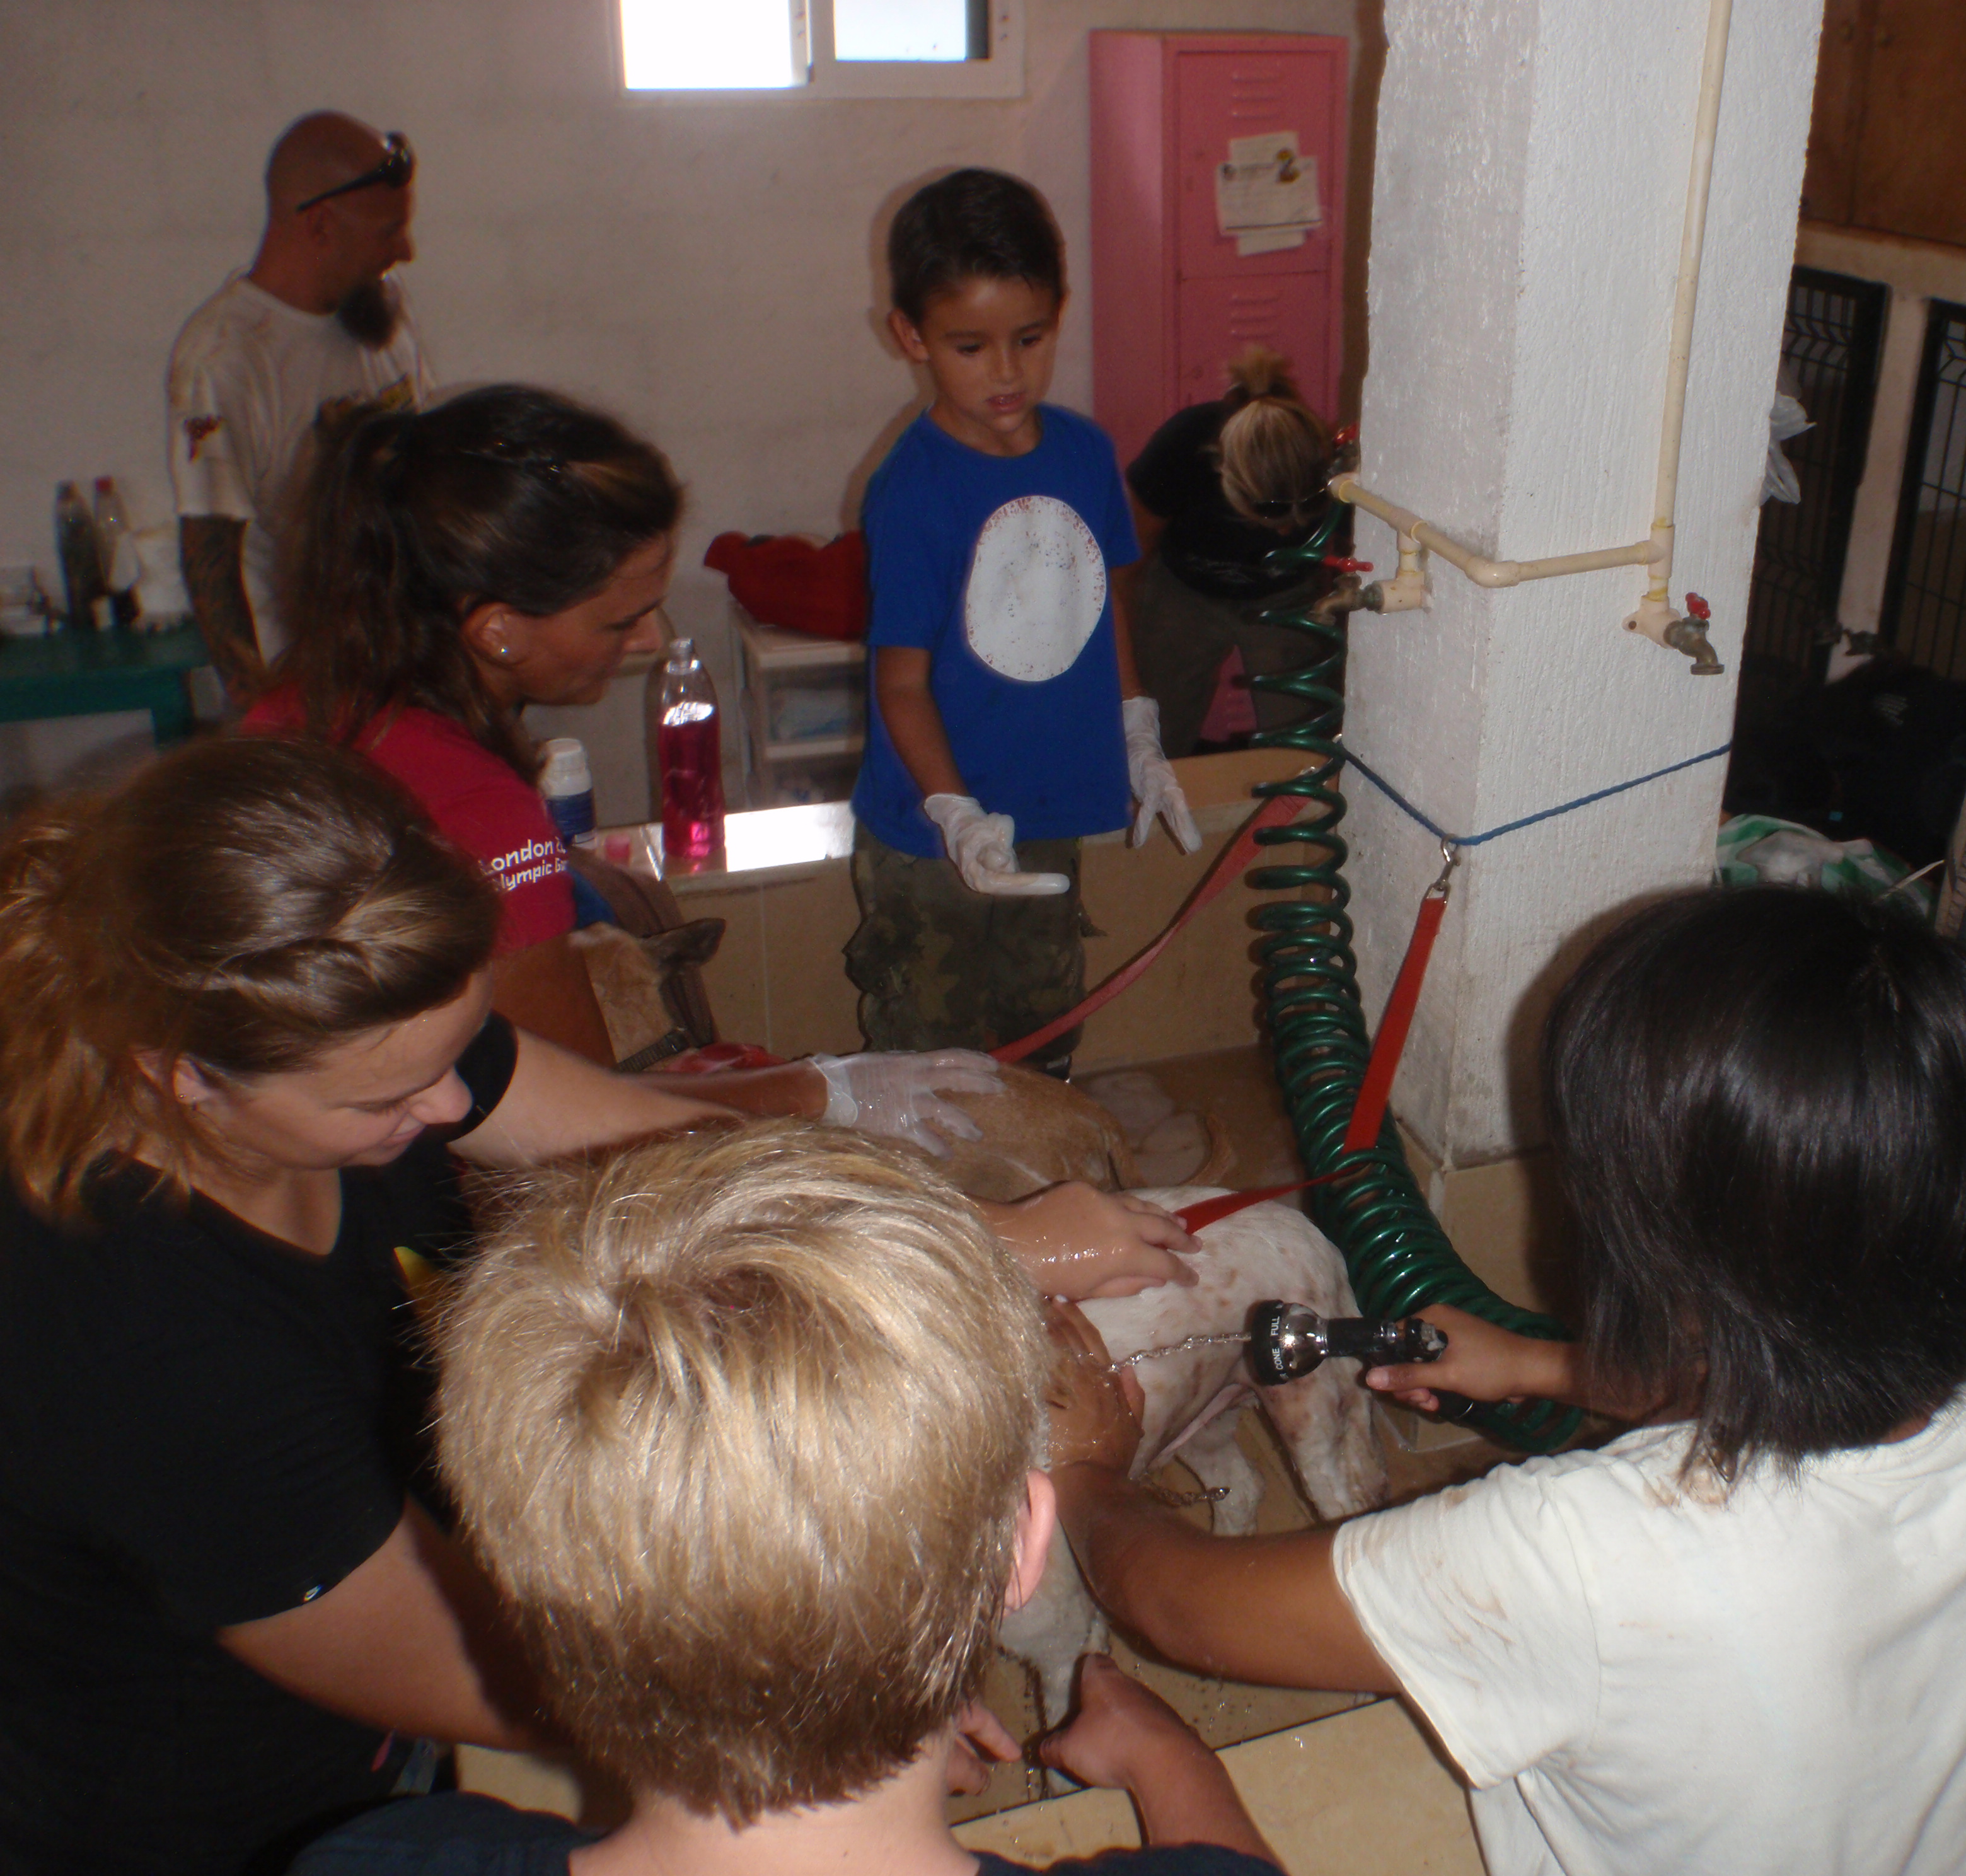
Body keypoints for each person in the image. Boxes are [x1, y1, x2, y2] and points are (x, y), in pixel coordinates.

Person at [0, 738, 1194, 1876]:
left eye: (458, 1049)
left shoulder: (369, 1036)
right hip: (213, 1805)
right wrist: (846, 1701)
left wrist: (987, 1237)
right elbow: (482, 1662)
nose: (450, 1105)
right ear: (180, 1074)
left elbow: (680, 1154)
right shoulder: (132, 1340)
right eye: (387, 1099)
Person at [1045, 887, 1966, 1876]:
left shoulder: (1583, 1555)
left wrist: (1088, 1470)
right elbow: (1790, 1373)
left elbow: (1179, 1607)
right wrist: (1539, 1364)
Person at [287, 1123, 1285, 1876]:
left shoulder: (370, 1856)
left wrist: (828, 1722)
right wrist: (1169, 1760)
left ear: (517, 1595)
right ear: (1023, 1545)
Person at [246, 381, 988, 1140]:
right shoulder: (481, 810)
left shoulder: (294, 706)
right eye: (620, 621)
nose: (650, 640)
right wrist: (823, 1092)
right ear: (497, 630)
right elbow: (578, 1129)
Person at [847, 168, 1200, 1074]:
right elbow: (901, 684)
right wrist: (956, 815)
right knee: (931, 1061)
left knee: (1042, 1030)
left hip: (1046, 808)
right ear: (911, 336)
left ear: (1059, 314)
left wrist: (1137, 729)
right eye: (970, 347)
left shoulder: (1085, 454)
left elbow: (1102, 600)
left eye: (1030, 338)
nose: (1006, 372)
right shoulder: (914, 492)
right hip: (934, 835)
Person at [169, 112, 427, 699]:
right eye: (388, 231)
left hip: (404, 663)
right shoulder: (225, 358)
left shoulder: (383, 314)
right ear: (321, 225)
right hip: (310, 684)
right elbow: (209, 558)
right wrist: (258, 709)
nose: (405, 250)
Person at [1122, 346, 1338, 756]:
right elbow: (1127, 560)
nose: (1288, 529)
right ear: (1226, 475)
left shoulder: (1325, 460)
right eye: (1271, 512)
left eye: (1306, 509)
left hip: (1286, 597)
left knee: (1301, 746)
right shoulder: (1183, 446)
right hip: (1184, 593)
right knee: (1155, 736)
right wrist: (1127, 671)